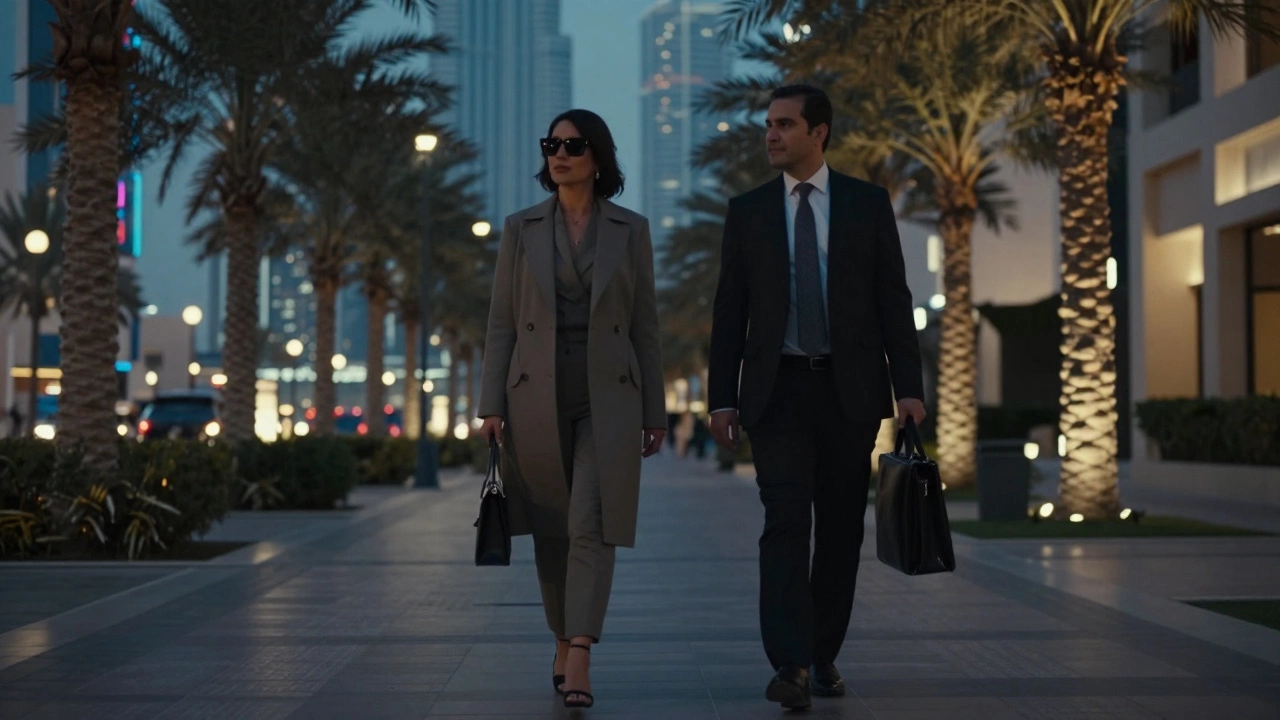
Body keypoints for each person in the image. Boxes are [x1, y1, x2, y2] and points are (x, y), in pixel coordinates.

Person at [707, 84, 926, 710]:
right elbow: (731, 313)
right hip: (777, 392)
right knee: (783, 524)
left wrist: (908, 388)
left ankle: (822, 651)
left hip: (848, 391)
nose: (772, 135)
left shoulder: (865, 204)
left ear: (818, 132)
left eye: (785, 124)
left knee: (837, 531)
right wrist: (723, 398)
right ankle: (790, 664)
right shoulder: (747, 211)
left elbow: (894, 299)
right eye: (768, 125)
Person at [476, 108, 667, 710]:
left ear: (598, 157)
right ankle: (561, 635)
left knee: (592, 518)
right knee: (552, 528)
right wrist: (490, 403)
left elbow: (645, 326)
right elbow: (502, 323)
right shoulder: (521, 227)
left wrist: (654, 408)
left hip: (608, 393)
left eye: (573, 145)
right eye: (552, 144)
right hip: (534, 392)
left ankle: (580, 647)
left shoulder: (630, 230)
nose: (559, 154)